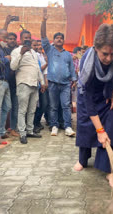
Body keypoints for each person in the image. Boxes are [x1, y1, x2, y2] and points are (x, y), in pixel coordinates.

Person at [74, 24, 113, 188]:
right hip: (88, 93)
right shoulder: (87, 61)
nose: (109, 58)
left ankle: (109, 169)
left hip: (109, 91)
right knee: (86, 124)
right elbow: (89, 99)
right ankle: (83, 160)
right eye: (105, 54)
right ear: (96, 47)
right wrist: (100, 130)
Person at [41, 9, 77, 137]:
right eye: (57, 38)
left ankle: (67, 127)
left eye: (61, 38)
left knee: (66, 106)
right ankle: (54, 126)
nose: (59, 39)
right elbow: (43, 37)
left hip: (66, 84)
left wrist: (74, 80)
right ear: (54, 40)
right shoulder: (49, 50)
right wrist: (44, 21)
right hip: (53, 84)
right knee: (53, 106)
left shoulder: (67, 54)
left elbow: (72, 68)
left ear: (63, 41)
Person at [11, 37, 45, 144]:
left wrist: (42, 82)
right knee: (22, 110)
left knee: (32, 110)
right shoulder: (16, 51)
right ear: (20, 40)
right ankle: (22, 133)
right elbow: (13, 67)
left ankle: (30, 131)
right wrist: (21, 54)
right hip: (23, 83)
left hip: (35, 84)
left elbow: (37, 68)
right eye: (25, 38)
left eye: (29, 39)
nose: (27, 41)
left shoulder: (34, 53)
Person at [34, 39, 49, 133]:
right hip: (35, 83)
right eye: (37, 45)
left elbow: (45, 72)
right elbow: (39, 68)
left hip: (42, 83)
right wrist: (47, 62)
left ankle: (37, 121)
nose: (39, 46)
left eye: (40, 45)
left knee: (44, 104)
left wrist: (45, 82)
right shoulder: (34, 55)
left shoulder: (42, 55)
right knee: (35, 105)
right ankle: (35, 123)